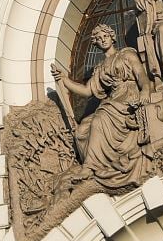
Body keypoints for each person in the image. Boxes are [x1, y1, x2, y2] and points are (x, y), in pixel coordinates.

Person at [50, 24, 149, 189]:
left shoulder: (127, 54)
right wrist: (64, 79)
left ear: (112, 37)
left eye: (105, 36)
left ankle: (89, 168)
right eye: (99, 39)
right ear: (96, 44)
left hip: (128, 96)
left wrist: (145, 91)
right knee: (82, 130)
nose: (103, 40)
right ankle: (96, 163)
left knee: (100, 118)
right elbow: (87, 91)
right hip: (114, 99)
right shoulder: (100, 68)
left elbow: (141, 75)